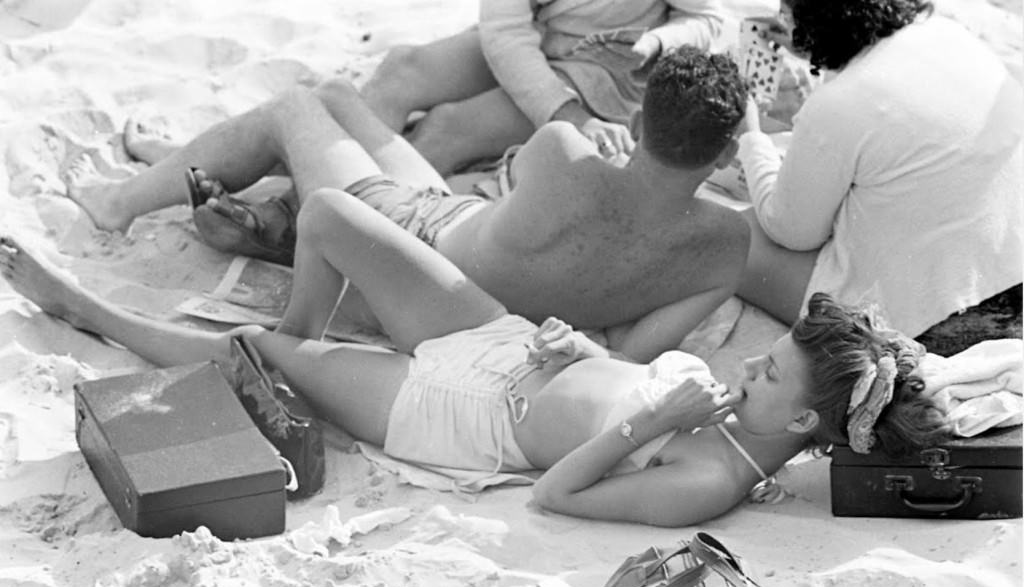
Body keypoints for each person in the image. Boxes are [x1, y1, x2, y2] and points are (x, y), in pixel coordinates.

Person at [0, 186, 950, 525]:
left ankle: (80, 305)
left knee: (258, 345)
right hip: (503, 342)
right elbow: (615, 372)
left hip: (461, 414)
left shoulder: (709, 476)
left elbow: (558, 495)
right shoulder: (734, 412)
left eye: (770, 374)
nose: (751, 367)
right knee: (331, 216)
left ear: (800, 424)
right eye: (767, 356)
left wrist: (651, 420)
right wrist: (577, 348)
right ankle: (309, 344)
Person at [67, 48, 750, 363]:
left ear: (634, 123)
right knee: (340, 98)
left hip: (419, 239)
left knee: (296, 107)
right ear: (725, 157)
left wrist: (601, 152)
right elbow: (629, 350)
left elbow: (563, 202)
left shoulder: (565, 149)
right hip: (467, 261)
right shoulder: (726, 248)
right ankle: (229, 181)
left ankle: (118, 201)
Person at [732, 0, 1024, 340]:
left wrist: (751, 137)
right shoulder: (948, 34)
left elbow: (790, 231)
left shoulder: (838, 103)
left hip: (940, 324)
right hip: (1008, 276)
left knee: (733, 237)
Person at [359, 0, 725, 175]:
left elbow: (707, 18)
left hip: (607, 71)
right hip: (536, 39)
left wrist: (657, 43)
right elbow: (505, 33)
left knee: (448, 127)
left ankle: (364, 227)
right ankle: (327, 188)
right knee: (401, 69)